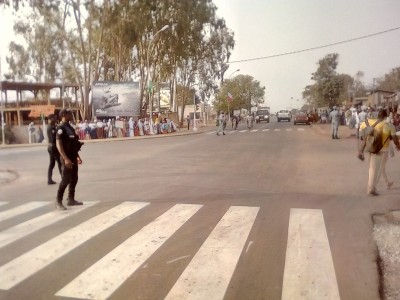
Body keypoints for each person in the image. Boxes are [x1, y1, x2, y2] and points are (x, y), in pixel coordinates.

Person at [358, 109, 400, 196]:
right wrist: (398, 146)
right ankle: (371, 189)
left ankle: (374, 186)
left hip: (372, 149)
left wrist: (361, 151)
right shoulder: (389, 125)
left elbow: (363, 138)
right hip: (383, 150)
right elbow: (395, 138)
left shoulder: (369, 123)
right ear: (386, 116)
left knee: (372, 169)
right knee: (378, 169)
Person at [56, 109, 84, 210]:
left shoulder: (69, 127)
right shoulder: (61, 128)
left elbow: (73, 143)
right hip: (66, 157)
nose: (71, 115)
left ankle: (71, 199)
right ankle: (58, 201)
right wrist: (65, 158)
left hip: (72, 156)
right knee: (65, 179)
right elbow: (58, 144)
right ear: (64, 115)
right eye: (69, 114)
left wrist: (77, 156)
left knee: (74, 178)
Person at [47, 114, 62, 185]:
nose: (56, 119)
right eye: (55, 118)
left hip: (50, 147)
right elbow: (53, 138)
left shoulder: (52, 126)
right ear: (51, 119)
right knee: (59, 162)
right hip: (53, 147)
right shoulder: (51, 127)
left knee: (52, 164)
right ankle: (63, 178)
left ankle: (49, 180)